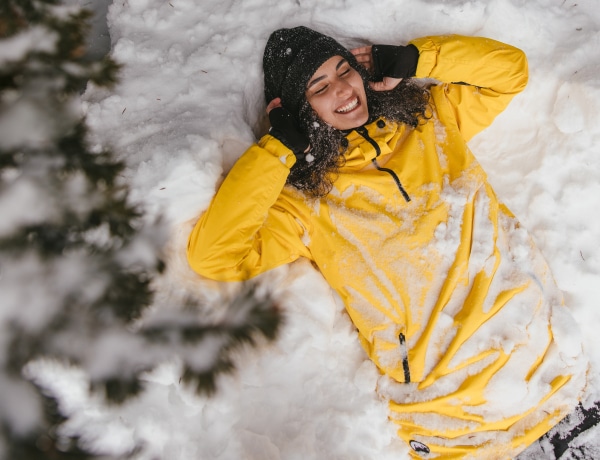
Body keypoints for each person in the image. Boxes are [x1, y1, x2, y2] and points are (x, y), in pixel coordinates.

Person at [187, 26, 589, 458]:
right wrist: (278, 148)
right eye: (319, 87)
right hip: (457, 426)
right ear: (298, 109)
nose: (342, 89)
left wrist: (417, 60)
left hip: (554, 377)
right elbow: (214, 257)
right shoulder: (305, 204)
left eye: (345, 70)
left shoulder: (431, 121)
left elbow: (510, 72)